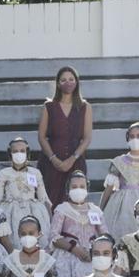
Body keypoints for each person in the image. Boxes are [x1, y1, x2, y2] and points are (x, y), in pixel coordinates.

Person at [37, 66, 93, 206]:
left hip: (76, 162)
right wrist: (53, 159)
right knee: (50, 200)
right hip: (50, 163)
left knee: (74, 201)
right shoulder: (48, 106)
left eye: (71, 79)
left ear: (77, 82)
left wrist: (72, 158)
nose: (68, 83)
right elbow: (42, 137)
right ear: (57, 83)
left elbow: (87, 138)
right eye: (63, 80)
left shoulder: (85, 107)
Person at [48, 176, 106, 277]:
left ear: (87, 189)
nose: (78, 189)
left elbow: (105, 235)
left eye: (82, 187)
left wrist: (95, 252)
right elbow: (54, 237)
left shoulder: (96, 211)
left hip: (92, 256)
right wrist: (75, 250)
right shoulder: (62, 209)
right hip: (68, 256)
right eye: (74, 187)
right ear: (67, 190)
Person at [0, 137, 52, 236]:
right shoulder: (4, 173)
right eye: (15, 151)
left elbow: (44, 198)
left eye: (22, 151)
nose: (19, 153)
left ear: (27, 153)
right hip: (10, 210)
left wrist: (49, 220)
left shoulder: (35, 173)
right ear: (10, 154)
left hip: (34, 210)